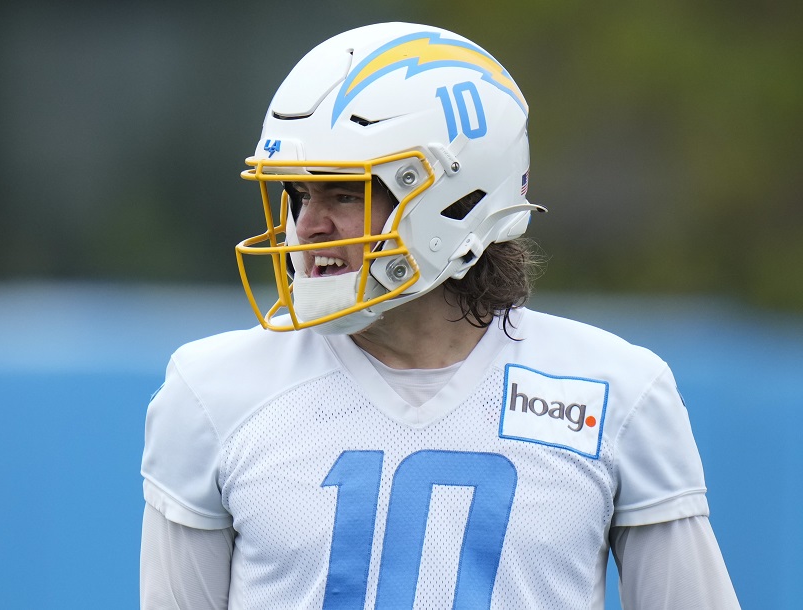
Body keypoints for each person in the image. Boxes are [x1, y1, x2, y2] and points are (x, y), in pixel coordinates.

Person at [140, 22, 740, 609]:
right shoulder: (212, 392)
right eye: (299, 194)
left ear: (458, 198)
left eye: (344, 194)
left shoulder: (620, 393)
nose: (309, 226)